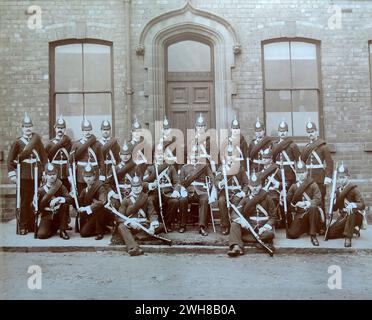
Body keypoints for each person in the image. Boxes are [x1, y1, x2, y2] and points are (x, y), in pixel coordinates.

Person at [7, 113, 47, 235]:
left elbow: (43, 157)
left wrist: (44, 172)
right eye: (25, 126)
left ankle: (31, 224)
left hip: (36, 174)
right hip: (23, 175)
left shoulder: (37, 142)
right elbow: (10, 160)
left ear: (32, 127)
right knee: (24, 201)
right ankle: (23, 225)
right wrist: (13, 175)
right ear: (22, 128)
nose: (28, 128)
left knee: (35, 200)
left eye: (30, 126)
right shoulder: (18, 142)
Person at [227, 172, 277, 257]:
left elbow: (273, 217)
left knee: (270, 234)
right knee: (234, 225)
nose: (254, 188)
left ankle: (240, 239)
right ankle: (236, 247)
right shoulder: (245, 199)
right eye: (252, 186)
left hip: (263, 229)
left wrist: (265, 227)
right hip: (250, 228)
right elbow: (234, 214)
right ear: (249, 186)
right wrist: (241, 221)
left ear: (261, 185)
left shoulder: (268, 199)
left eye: (257, 186)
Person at [115, 175, 162, 256]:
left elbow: (152, 213)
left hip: (143, 225)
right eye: (134, 186)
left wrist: (152, 226)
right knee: (121, 227)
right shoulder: (126, 200)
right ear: (131, 187)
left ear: (141, 187)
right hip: (131, 226)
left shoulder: (147, 198)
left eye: (138, 186)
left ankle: (131, 238)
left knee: (160, 226)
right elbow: (119, 217)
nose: (136, 188)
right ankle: (133, 248)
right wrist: (129, 222)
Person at [301, 120, 334, 233]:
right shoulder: (306, 147)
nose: (311, 133)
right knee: (310, 202)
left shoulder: (323, 146)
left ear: (316, 132)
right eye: (308, 132)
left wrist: (328, 177)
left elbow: (330, 163)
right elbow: (302, 163)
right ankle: (311, 226)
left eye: (312, 131)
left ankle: (322, 226)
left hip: (319, 178)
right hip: (308, 180)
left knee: (320, 202)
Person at [327, 163, 367, 247]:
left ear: (348, 177)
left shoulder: (354, 189)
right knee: (329, 234)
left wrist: (353, 205)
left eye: (343, 177)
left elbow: (362, 205)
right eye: (339, 178)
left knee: (351, 210)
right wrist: (333, 200)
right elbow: (334, 209)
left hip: (355, 217)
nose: (341, 180)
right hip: (343, 217)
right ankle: (351, 230)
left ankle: (348, 237)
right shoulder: (338, 191)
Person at [143, 144, 180, 232]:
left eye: (162, 154)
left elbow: (176, 182)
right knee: (150, 200)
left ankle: (167, 224)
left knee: (174, 201)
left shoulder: (170, 167)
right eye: (158, 154)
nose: (160, 156)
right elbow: (144, 183)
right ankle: (157, 222)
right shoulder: (150, 168)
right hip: (155, 193)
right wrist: (151, 185)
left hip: (168, 193)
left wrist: (176, 190)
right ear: (154, 155)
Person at [179, 149, 215, 236]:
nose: (194, 157)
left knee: (204, 199)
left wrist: (211, 189)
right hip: (189, 191)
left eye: (196, 155)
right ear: (189, 156)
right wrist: (182, 189)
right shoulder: (184, 167)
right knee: (182, 199)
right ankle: (182, 225)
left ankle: (202, 227)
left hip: (201, 190)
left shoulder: (204, 166)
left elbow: (212, 179)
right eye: (192, 154)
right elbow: (181, 181)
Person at [287, 159, 322, 246]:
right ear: (296, 173)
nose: (301, 175)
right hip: (300, 214)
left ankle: (313, 235)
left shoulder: (313, 185)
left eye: (302, 172)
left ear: (306, 172)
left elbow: (318, 199)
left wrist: (306, 203)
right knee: (292, 235)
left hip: (312, 213)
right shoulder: (294, 187)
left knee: (313, 207)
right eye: (298, 173)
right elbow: (288, 202)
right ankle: (306, 227)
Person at [215, 143, 249, 235]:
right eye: (228, 155)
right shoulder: (221, 168)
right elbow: (216, 181)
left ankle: (235, 225)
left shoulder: (240, 168)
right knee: (222, 201)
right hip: (225, 191)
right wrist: (220, 183)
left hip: (237, 192)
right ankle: (225, 225)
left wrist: (243, 192)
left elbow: (247, 183)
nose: (230, 157)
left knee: (236, 201)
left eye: (232, 155)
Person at [36, 163, 72, 240]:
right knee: (41, 235)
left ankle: (63, 230)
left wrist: (59, 199)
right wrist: (34, 200)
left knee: (65, 205)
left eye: (54, 174)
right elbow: (35, 208)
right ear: (45, 176)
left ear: (56, 174)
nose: (52, 176)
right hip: (47, 215)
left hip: (59, 215)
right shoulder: (41, 190)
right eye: (49, 174)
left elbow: (70, 199)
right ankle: (53, 228)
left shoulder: (61, 187)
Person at [70, 118, 105, 194]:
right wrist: (71, 176)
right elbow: (71, 161)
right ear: (82, 131)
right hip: (81, 174)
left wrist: (102, 175)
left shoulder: (97, 144)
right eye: (85, 130)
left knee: (95, 193)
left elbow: (101, 160)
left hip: (94, 173)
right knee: (81, 193)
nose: (88, 132)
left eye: (89, 130)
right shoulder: (76, 144)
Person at [77, 164, 108, 240]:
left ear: (94, 176)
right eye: (86, 177)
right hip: (91, 216)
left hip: (102, 215)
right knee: (83, 233)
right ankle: (104, 228)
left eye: (90, 176)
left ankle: (100, 232)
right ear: (83, 177)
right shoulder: (85, 190)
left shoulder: (100, 187)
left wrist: (88, 208)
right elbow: (80, 202)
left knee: (99, 208)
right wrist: (73, 197)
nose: (88, 179)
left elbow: (102, 201)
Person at [45, 115, 72, 191]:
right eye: (58, 128)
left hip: (66, 174)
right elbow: (44, 158)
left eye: (62, 128)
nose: (60, 130)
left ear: (65, 129)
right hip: (54, 174)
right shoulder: (50, 144)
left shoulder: (69, 143)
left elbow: (71, 158)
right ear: (55, 128)